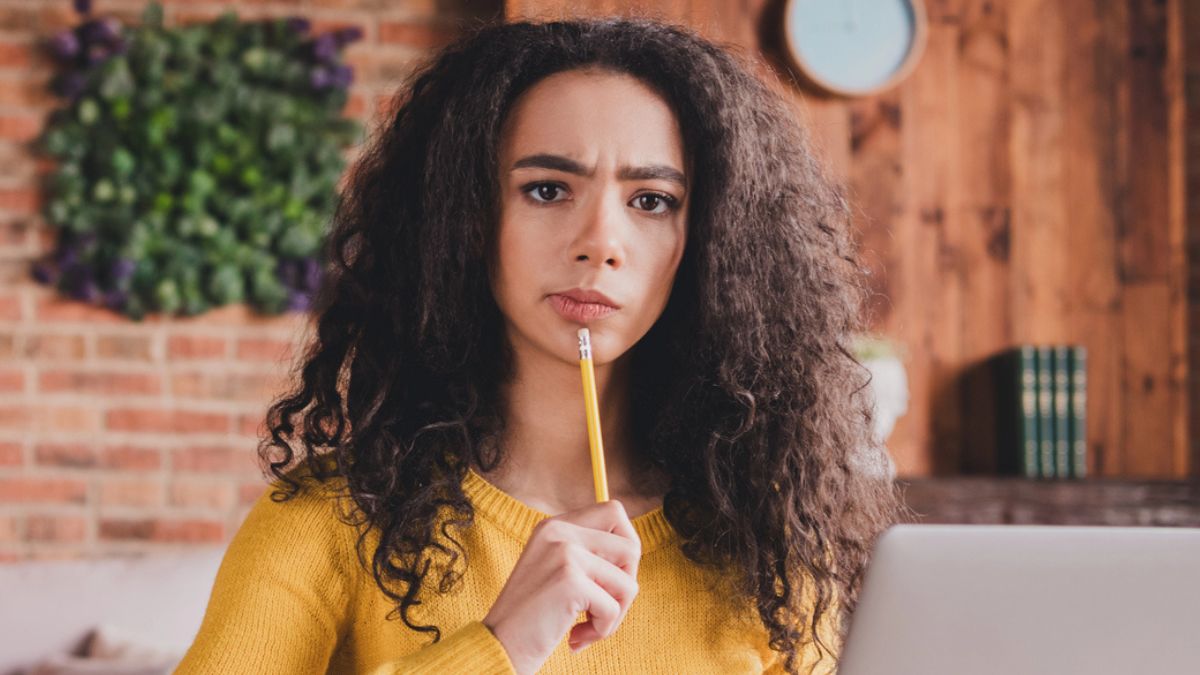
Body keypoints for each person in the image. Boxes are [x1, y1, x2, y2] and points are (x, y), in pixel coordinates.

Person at [174, 15, 912, 675]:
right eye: (548, 189)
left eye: (651, 201)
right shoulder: (330, 518)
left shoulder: (766, 542)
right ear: (463, 219)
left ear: (712, 242)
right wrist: (500, 644)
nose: (600, 243)